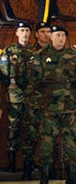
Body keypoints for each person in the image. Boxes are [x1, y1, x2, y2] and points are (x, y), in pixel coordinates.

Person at [30, 25, 76, 184]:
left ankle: (71, 175)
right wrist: (39, 103)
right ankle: (45, 175)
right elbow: (34, 83)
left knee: (71, 141)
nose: (60, 38)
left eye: (63, 35)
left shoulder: (73, 56)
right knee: (47, 143)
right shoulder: (40, 56)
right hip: (49, 107)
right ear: (51, 37)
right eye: (57, 35)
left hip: (69, 106)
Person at [18, 21, 52, 180]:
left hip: (52, 102)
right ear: (37, 34)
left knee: (50, 136)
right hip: (33, 100)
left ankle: (48, 169)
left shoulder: (55, 52)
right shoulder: (28, 53)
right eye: (42, 32)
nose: (46, 35)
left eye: (48, 32)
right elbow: (20, 76)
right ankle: (27, 168)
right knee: (31, 135)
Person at [0, 21, 33, 174]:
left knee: (30, 128)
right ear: (17, 33)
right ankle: (11, 161)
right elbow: (4, 73)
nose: (25, 33)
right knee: (13, 127)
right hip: (14, 93)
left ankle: (28, 163)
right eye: (22, 30)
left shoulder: (34, 51)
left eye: (27, 30)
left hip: (31, 94)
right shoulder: (9, 50)